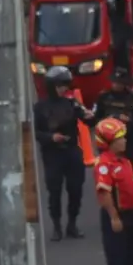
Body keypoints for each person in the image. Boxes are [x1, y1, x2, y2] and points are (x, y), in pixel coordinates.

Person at [34, 66, 95, 241]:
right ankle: (56, 226)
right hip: (52, 155)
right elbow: (35, 132)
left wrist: (91, 116)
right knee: (54, 191)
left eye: (65, 85)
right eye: (60, 85)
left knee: (76, 189)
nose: (64, 89)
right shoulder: (40, 107)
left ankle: (72, 224)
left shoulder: (72, 103)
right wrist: (51, 137)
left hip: (72, 152)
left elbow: (87, 119)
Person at [94, 118, 133, 265]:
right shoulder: (104, 164)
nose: (124, 141)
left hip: (130, 214)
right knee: (118, 257)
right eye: (119, 139)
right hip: (117, 215)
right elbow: (104, 192)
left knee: (130, 255)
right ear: (108, 143)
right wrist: (114, 216)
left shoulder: (124, 161)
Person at [94, 71, 133, 164]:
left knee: (130, 166)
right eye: (114, 82)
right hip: (108, 140)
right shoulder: (103, 97)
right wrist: (112, 118)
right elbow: (97, 117)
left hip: (128, 139)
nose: (116, 85)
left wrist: (129, 120)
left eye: (119, 83)